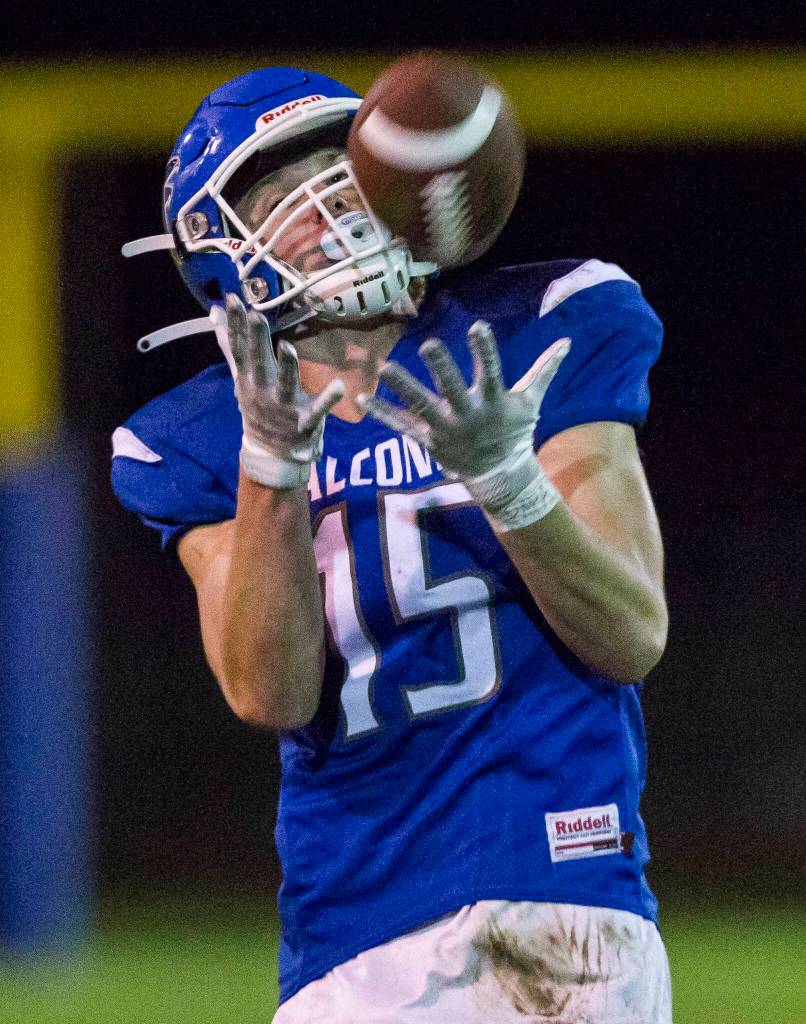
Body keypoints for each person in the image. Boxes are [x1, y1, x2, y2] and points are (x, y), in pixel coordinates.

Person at [112, 65, 672, 1023]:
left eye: (346, 167)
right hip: (350, 928)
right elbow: (268, 689)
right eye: (286, 194)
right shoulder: (197, 436)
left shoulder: (540, 326)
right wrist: (274, 466)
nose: (336, 202)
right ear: (221, 256)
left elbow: (632, 633)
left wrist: (512, 481)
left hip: (562, 894)